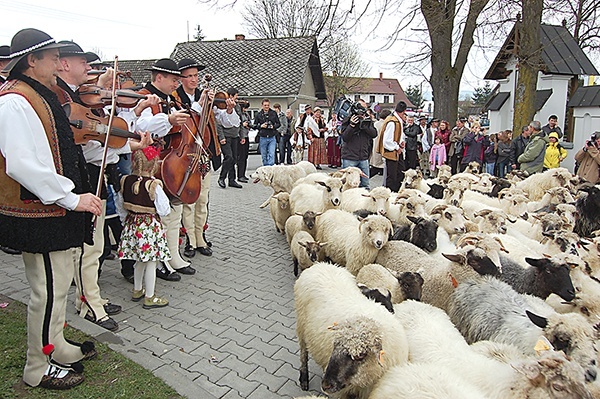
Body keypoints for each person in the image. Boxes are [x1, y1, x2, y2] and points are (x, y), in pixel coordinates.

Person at [0, 28, 103, 390]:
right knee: (45, 289)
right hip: (38, 214)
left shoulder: (37, 95)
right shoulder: (15, 100)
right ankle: (36, 365)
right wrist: (71, 198)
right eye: (53, 57)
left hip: (50, 211)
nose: (60, 62)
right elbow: (23, 164)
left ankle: (55, 344)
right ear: (32, 61)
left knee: (58, 286)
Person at [136, 58, 195, 281]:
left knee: (174, 210)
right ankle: (158, 262)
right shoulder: (144, 97)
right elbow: (142, 127)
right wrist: (169, 120)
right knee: (157, 213)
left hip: (168, 160)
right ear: (159, 77)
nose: (176, 84)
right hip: (150, 162)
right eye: (173, 79)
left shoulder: (171, 99)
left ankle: (173, 255)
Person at [172, 58, 222, 259]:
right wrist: (199, 105)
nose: (194, 79)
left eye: (196, 75)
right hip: (184, 156)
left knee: (203, 199)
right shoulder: (176, 97)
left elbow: (214, 122)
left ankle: (201, 237)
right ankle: (190, 240)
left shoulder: (205, 95)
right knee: (188, 200)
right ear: (181, 78)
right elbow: (183, 120)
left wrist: (222, 107)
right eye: (190, 76)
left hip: (203, 155)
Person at [118, 148, 170, 309]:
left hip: (132, 224)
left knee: (138, 260)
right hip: (149, 227)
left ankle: (137, 289)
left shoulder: (125, 180)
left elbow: (121, 207)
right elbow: (164, 209)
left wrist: (125, 222)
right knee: (151, 262)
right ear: (154, 164)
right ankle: (150, 296)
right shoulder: (153, 184)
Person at [341, 99, 377, 188]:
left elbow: (374, 134)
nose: (363, 111)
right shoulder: (347, 120)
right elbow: (345, 137)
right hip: (350, 157)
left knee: (365, 184)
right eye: (361, 108)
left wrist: (365, 125)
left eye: (364, 108)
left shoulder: (367, 120)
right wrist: (352, 125)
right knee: (348, 185)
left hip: (363, 157)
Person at [216, 87, 242, 189]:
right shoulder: (220, 107)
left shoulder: (237, 106)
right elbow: (218, 124)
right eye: (236, 96)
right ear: (230, 96)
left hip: (235, 136)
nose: (237, 98)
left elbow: (239, 120)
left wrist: (241, 135)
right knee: (229, 157)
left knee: (234, 159)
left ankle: (232, 180)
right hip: (226, 136)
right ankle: (221, 178)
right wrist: (221, 137)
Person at [379, 100, 407, 191]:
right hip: (391, 153)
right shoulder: (392, 122)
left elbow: (398, 135)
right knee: (392, 177)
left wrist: (401, 141)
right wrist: (397, 147)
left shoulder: (396, 120)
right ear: (403, 112)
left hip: (396, 152)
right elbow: (387, 141)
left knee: (400, 174)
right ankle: (390, 194)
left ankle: (396, 191)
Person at [253, 98, 280, 166]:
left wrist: (273, 126)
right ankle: (265, 167)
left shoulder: (273, 113)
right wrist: (261, 126)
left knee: (271, 153)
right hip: (263, 137)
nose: (266, 107)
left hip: (272, 136)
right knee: (264, 155)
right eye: (265, 105)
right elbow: (254, 125)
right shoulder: (258, 114)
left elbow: (278, 124)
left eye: (268, 105)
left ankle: (270, 168)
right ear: (262, 105)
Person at [370, 109, 390, 177]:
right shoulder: (385, 125)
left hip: (374, 147)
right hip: (381, 149)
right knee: (379, 168)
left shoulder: (375, 124)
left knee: (375, 167)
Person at [237, 102, 251, 182]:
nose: (245, 110)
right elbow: (237, 124)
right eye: (244, 108)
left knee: (245, 156)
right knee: (241, 157)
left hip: (246, 135)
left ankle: (243, 174)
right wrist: (243, 124)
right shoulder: (239, 114)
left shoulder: (246, 114)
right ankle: (240, 175)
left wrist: (248, 124)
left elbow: (250, 123)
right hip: (240, 137)